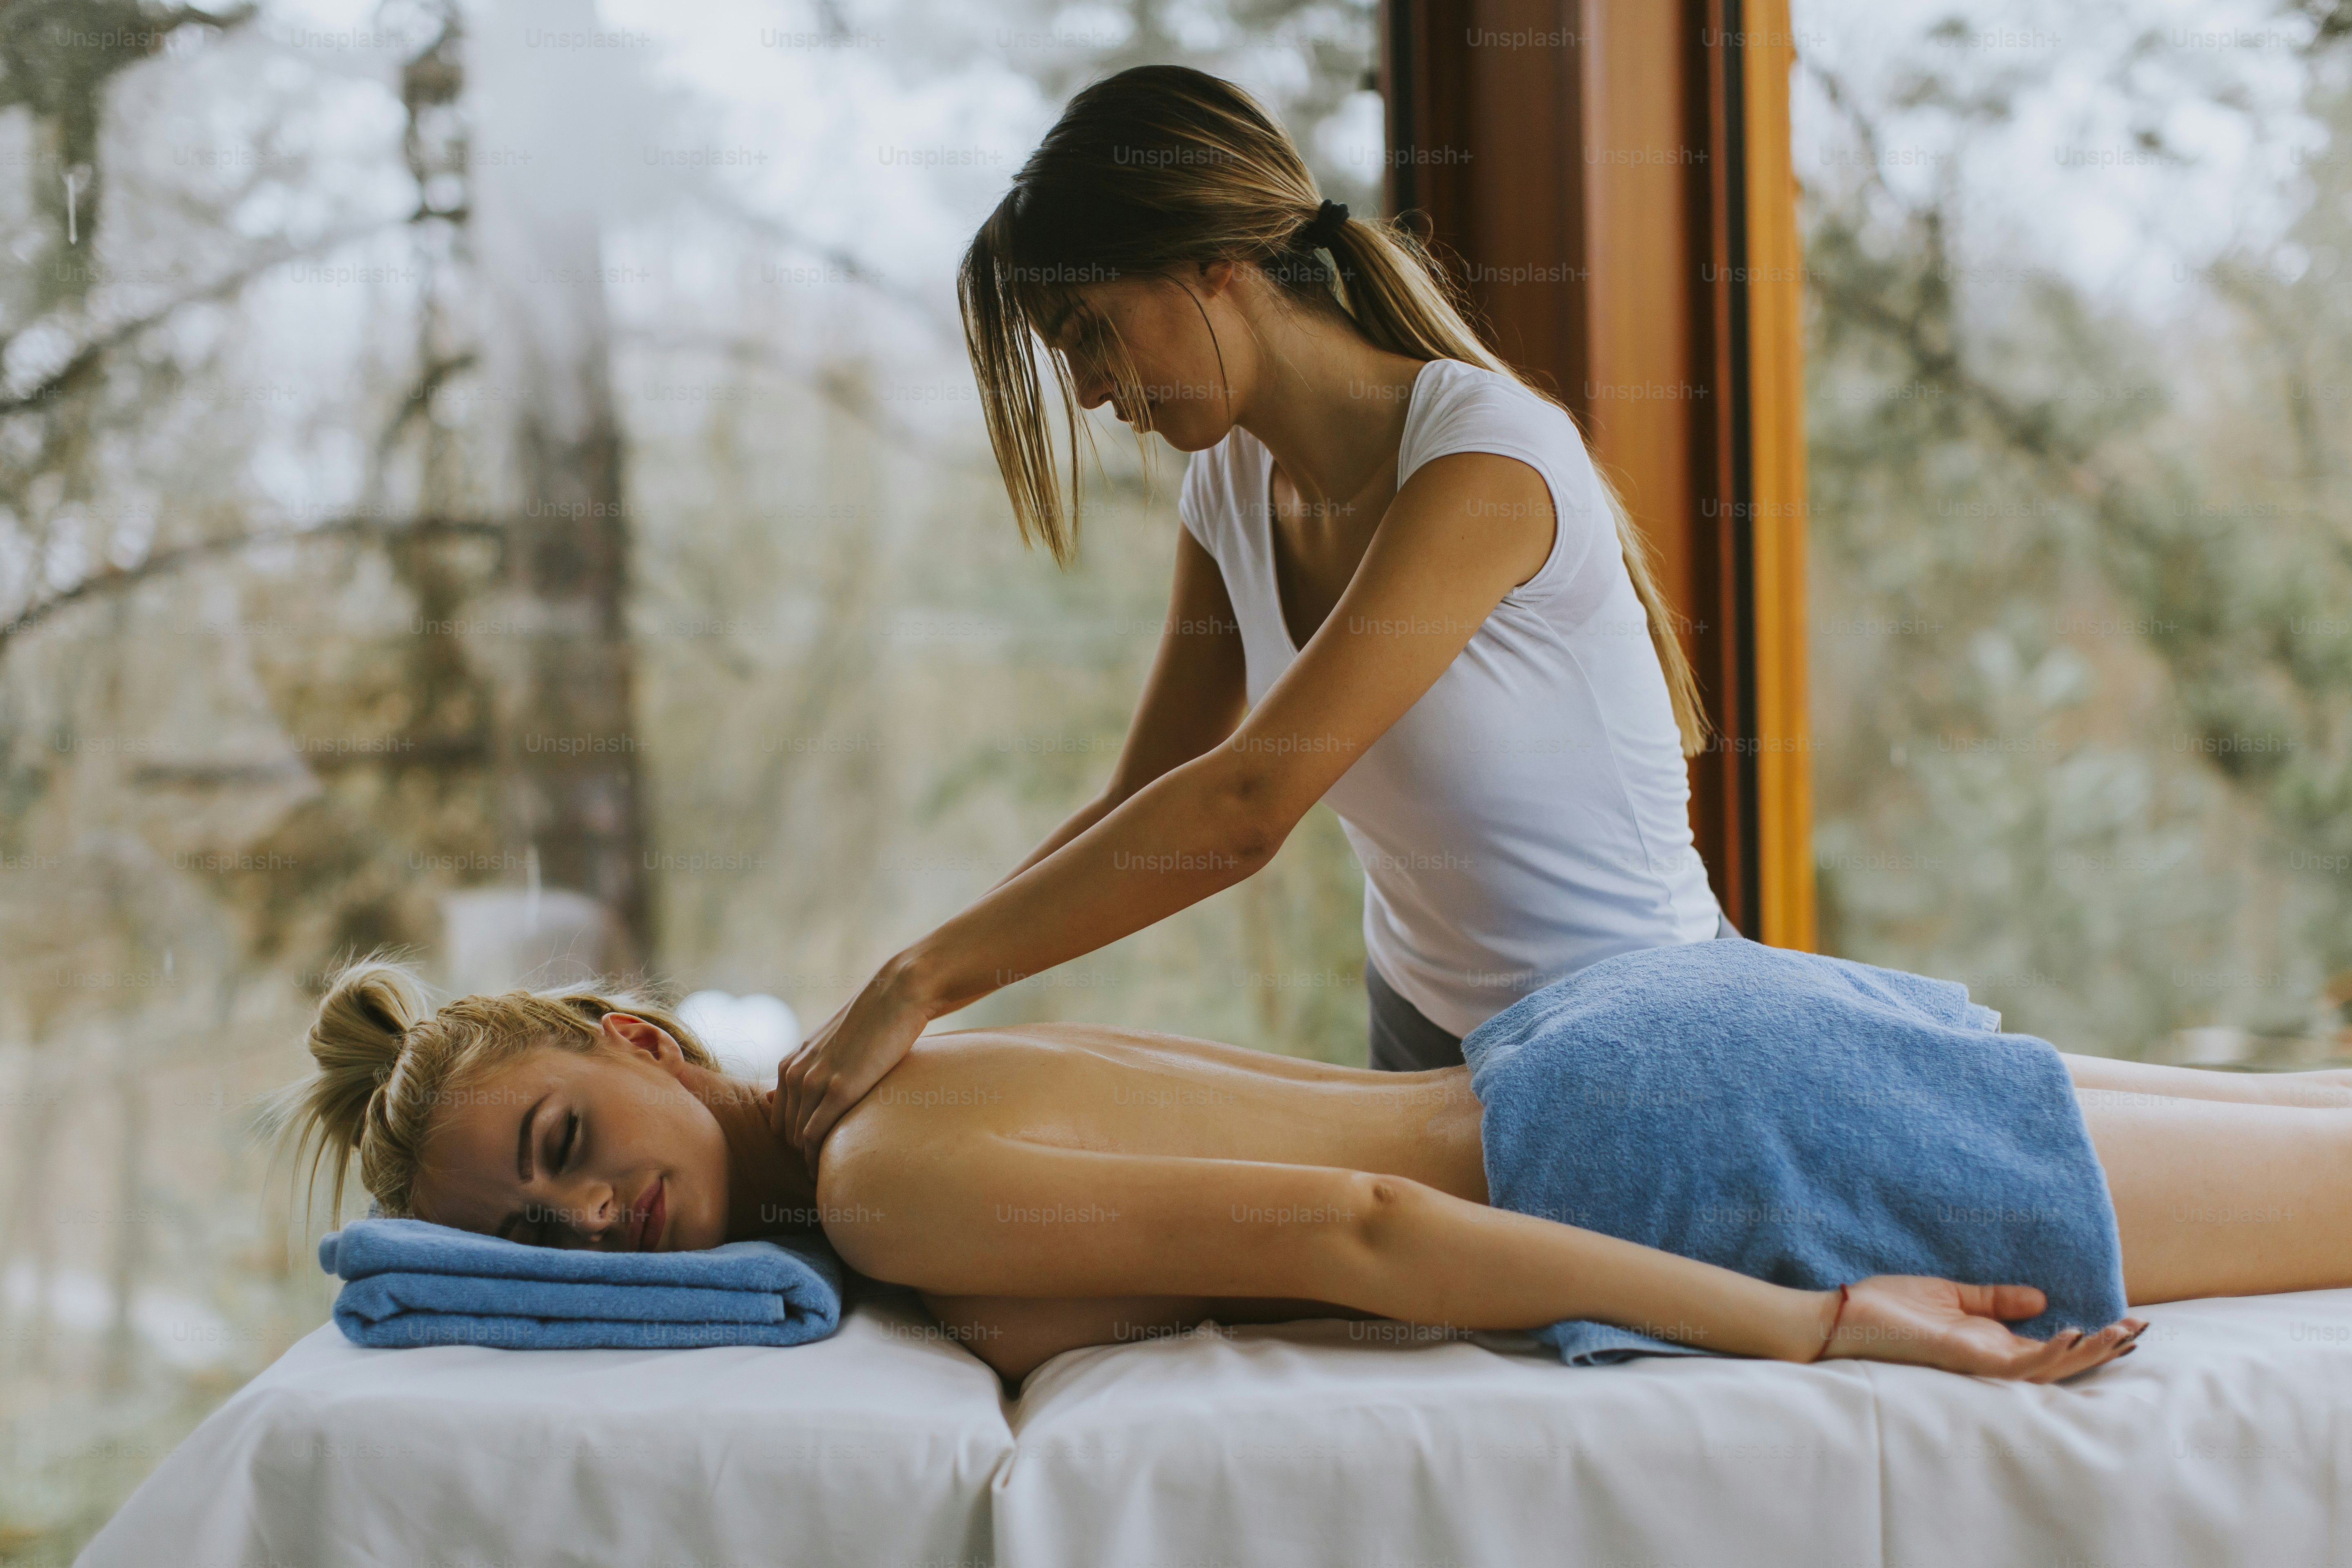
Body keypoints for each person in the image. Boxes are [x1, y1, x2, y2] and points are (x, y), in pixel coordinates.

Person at [777, 63, 1731, 1163]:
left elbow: (1243, 810)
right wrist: (913, 990)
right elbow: (1145, 797)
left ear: (1213, 262)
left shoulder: (1487, 462)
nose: (1087, 390)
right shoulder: (1228, 485)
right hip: (1422, 1035)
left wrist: (918, 982)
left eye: (1090, 330)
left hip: (1637, 1049)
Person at [272, 953, 2352, 1387]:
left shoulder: (891, 1179)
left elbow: (1366, 1228)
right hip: (1631, 1051)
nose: (585, 1218)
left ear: (641, 1042)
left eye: (564, 1144)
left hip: (1655, 1142)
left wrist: (1819, 1327)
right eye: (532, 1232)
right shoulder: (902, 1095)